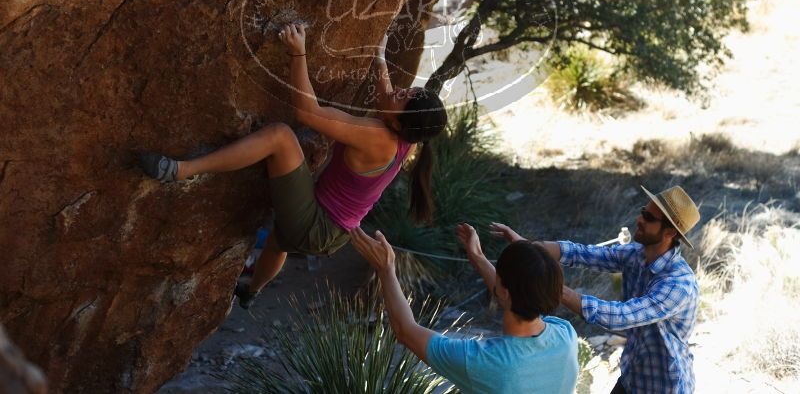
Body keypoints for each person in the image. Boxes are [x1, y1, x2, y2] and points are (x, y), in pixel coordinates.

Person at [139, 23, 447, 308]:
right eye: (412, 91)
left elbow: (309, 114)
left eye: (407, 98)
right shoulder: (405, 138)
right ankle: (252, 291)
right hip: (332, 232)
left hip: (318, 225)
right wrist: (379, 58)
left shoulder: (377, 136)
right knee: (277, 241)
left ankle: (182, 171)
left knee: (280, 136)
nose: (403, 91)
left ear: (398, 121)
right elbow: (387, 98)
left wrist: (298, 52)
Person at [491, 185, 701, 394]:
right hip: (632, 378)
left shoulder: (678, 284)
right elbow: (582, 253)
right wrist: (528, 248)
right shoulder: (636, 255)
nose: (640, 220)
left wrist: (548, 284)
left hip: (664, 387)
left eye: (648, 217)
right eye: (642, 212)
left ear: (670, 232)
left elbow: (620, 316)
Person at [350, 224, 579, 394]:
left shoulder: (482, 362)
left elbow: (405, 330)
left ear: (504, 290)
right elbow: (520, 296)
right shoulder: (565, 335)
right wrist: (478, 258)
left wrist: (386, 269)